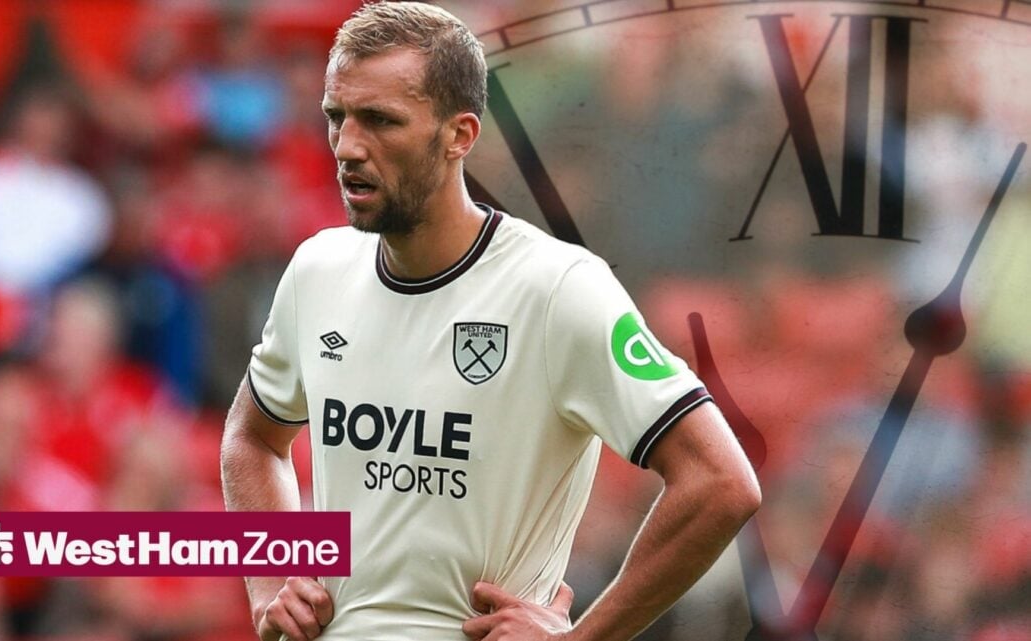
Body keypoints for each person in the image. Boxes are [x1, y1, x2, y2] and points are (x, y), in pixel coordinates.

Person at [220, 3, 760, 641]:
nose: (348, 147)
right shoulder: (318, 271)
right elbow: (251, 439)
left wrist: (585, 639)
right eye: (337, 117)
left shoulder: (557, 288)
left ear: (460, 135)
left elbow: (720, 482)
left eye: (381, 121)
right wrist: (271, 578)